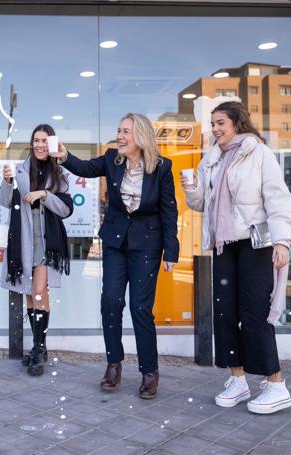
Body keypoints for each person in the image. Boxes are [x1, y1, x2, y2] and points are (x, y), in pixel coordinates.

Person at [180, 101, 291, 414]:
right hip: (223, 244)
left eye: (221, 123)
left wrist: (283, 241)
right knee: (224, 311)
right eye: (213, 124)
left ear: (237, 123)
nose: (215, 129)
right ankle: (238, 378)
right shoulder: (213, 159)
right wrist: (192, 187)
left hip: (254, 244)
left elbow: (277, 197)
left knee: (254, 311)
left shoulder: (258, 153)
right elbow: (203, 203)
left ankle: (275, 383)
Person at [55, 113, 179, 399]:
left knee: (140, 308)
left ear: (142, 136)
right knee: (110, 301)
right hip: (115, 242)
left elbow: (169, 211)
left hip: (147, 244)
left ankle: (149, 371)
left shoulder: (161, 168)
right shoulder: (112, 159)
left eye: (126, 132)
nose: (120, 136)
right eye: (119, 131)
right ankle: (114, 364)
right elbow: (85, 167)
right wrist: (65, 156)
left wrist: (171, 250)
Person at [0, 124, 73, 376]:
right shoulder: (20, 170)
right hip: (24, 241)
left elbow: (66, 209)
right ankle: (38, 347)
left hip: (47, 241)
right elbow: (6, 202)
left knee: (40, 291)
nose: (40, 144)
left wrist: (44, 194)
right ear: (31, 143)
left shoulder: (60, 173)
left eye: (45, 140)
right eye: (36, 140)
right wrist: (7, 183)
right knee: (31, 293)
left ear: (51, 144)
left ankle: (39, 348)